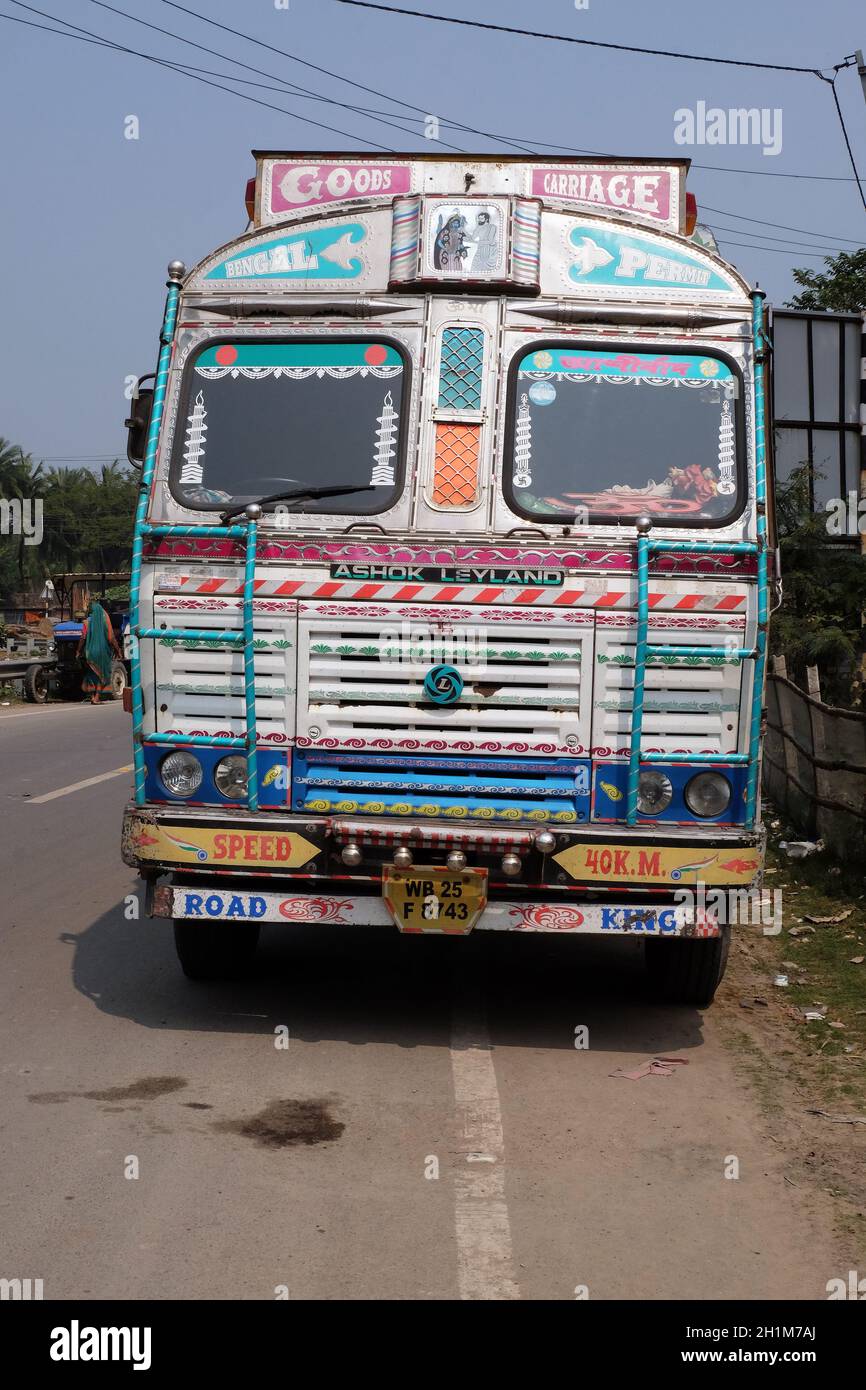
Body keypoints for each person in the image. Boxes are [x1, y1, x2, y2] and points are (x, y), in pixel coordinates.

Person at [75, 599, 122, 704]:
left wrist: (78, 651)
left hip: (89, 653)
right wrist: (118, 650)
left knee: (92, 673)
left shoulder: (87, 622)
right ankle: (96, 698)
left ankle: (92, 696)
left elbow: (82, 638)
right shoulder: (105, 621)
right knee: (102, 674)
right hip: (102, 653)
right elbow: (111, 638)